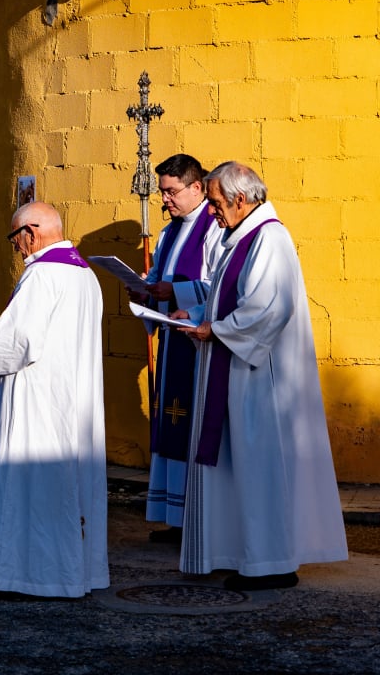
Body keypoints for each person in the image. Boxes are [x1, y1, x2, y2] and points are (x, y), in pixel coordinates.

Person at [175, 162, 347, 590]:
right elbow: (229, 298)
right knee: (241, 469)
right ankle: (241, 553)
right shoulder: (241, 238)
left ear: (239, 198)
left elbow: (267, 307)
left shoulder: (270, 238)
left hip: (261, 379)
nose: (212, 212)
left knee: (260, 468)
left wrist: (213, 329)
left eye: (215, 203)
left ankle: (272, 564)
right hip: (237, 369)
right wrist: (197, 315)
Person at [0, 202, 108, 598]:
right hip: (72, 399)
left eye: (16, 239)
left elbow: (17, 344)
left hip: (38, 400)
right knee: (69, 485)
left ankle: (28, 574)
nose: (17, 249)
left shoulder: (42, 275)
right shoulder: (85, 275)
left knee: (32, 483)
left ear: (30, 233)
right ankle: (75, 572)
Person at [131, 154, 220, 543]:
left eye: (171, 191)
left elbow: (221, 286)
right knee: (170, 424)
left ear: (196, 187)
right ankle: (175, 518)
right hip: (172, 345)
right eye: (162, 192)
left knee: (191, 426)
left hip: (199, 348)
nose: (164, 199)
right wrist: (145, 288)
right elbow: (157, 278)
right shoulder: (168, 234)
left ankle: (197, 517)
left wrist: (176, 291)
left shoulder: (214, 228)